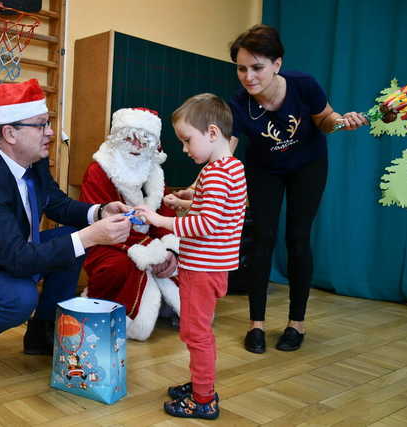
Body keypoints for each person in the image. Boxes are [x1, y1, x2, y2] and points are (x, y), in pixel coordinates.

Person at [0, 79, 132, 384]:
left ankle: (40, 333)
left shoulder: (30, 159)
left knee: (72, 241)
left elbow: (55, 203)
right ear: (10, 133)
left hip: (4, 257)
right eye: (42, 125)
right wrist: (91, 235)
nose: (51, 132)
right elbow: (17, 258)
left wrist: (98, 211)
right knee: (19, 297)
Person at [227, 24, 367, 353]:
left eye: (257, 67)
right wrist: (198, 187)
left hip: (308, 165)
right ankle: (256, 325)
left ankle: (296, 324)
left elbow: (326, 120)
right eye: (242, 69)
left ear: (277, 64)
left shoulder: (304, 85)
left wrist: (342, 121)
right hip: (264, 169)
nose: (249, 77)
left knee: (298, 237)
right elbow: (224, 152)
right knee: (261, 238)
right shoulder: (237, 104)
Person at [136, 93, 247, 420]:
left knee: (196, 334)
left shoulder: (214, 173)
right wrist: (187, 202)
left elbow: (205, 224)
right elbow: (224, 212)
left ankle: (203, 399)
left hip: (202, 269)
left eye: (187, 140)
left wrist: (159, 220)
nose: (185, 149)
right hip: (215, 267)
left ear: (212, 133)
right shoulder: (232, 167)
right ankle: (202, 383)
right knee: (196, 331)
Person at [79, 107, 181, 341]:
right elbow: (101, 225)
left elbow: (165, 219)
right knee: (119, 266)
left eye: (144, 139)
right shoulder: (99, 170)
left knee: (188, 255)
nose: (136, 144)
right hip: (107, 242)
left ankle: (171, 308)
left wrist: (168, 251)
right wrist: (151, 251)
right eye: (129, 136)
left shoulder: (154, 172)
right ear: (117, 137)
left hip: (147, 243)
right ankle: (120, 319)